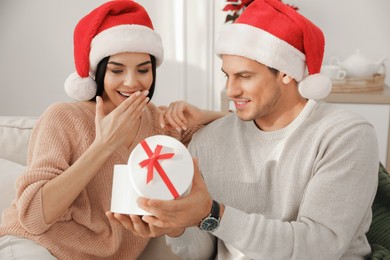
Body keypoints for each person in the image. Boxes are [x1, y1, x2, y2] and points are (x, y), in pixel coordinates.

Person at [109, 0, 380, 259]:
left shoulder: (346, 135)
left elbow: (319, 246)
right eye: (227, 75)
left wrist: (213, 213)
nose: (230, 90)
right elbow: (202, 252)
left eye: (245, 76)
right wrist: (177, 227)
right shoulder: (209, 140)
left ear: (286, 72)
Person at [0, 1, 226, 259]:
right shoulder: (62, 117)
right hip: (36, 245)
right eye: (117, 70)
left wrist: (204, 113)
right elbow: (32, 219)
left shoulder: (160, 123)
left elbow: (242, 123)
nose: (132, 82)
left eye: (143, 70)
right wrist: (103, 145)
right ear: (98, 73)